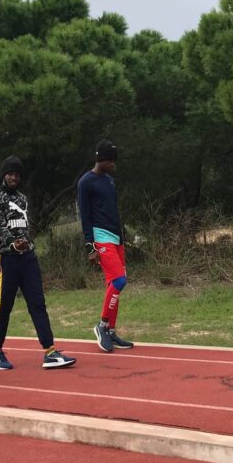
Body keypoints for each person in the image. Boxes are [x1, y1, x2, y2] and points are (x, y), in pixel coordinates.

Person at [0, 155, 76, 371]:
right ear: (3, 175)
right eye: (10, 174)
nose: (14, 177)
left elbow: (26, 226)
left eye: (17, 174)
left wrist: (26, 244)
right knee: (4, 306)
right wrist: (12, 243)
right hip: (7, 259)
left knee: (37, 303)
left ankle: (50, 352)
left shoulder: (23, 198)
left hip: (28, 258)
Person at [77, 140, 134, 353]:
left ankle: (111, 330)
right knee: (120, 281)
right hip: (101, 238)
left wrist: (122, 237)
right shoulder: (86, 182)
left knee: (113, 284)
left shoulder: (110, 181)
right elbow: (85, 216)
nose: (113, 165)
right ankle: (101, 326)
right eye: (110, 161)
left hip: (116, 238)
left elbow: (113, 211)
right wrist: (90, 246)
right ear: (101, 159)